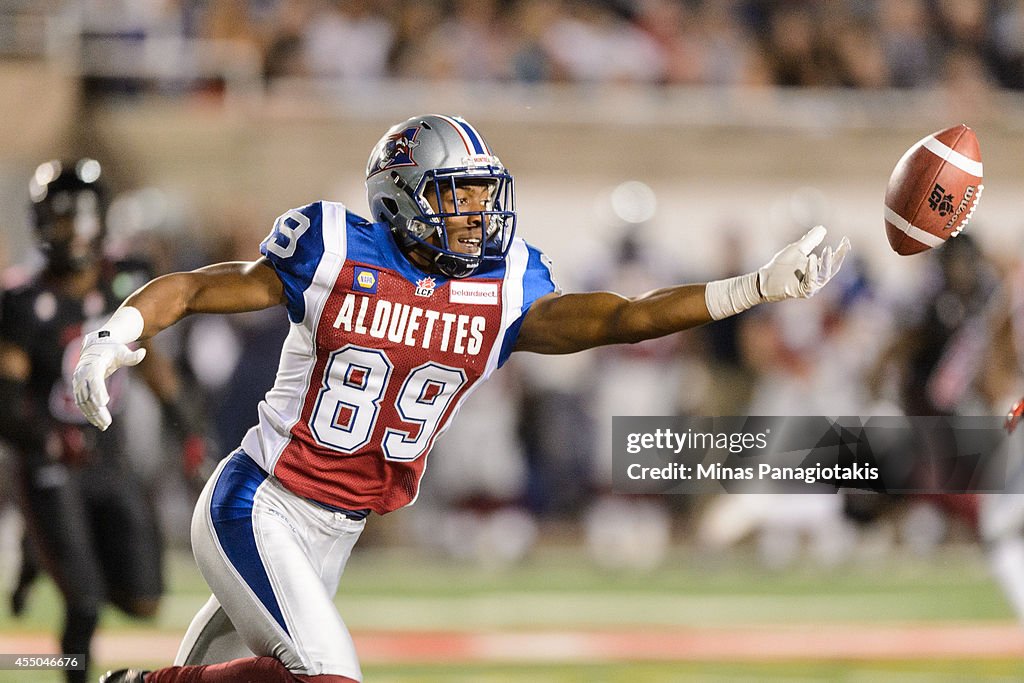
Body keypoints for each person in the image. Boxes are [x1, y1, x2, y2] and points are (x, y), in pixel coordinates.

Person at [75, 114, 850, 683]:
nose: (478, 214)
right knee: (330, 676)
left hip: (339, 527)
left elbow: (625, 315)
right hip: (261, 500)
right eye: (457, 196)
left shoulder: (502, 288)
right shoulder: (338, 249)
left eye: (482, 195)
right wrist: (119, 330)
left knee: (271, 672)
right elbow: (202, 286)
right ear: (402, 198)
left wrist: (753, 286)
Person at [0, 159, 204, 683]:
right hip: (49, 460)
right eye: (62, 218)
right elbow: (5, 402)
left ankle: (40, 552)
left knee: (144, 599)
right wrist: (44, 440)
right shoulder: (23, 302)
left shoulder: (126, 278)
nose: (73, 231)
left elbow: (154, 363)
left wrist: (189, 430)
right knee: (85, 602)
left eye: (82, 217)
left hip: (107, 454)